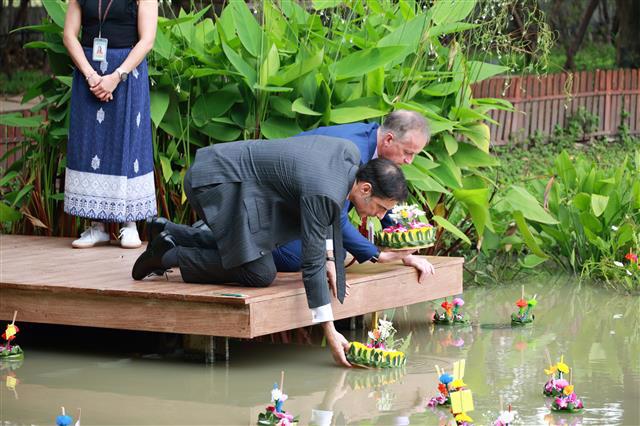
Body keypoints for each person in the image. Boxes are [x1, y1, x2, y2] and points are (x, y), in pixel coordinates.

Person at [132, 136, 409, 367]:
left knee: (253, 251)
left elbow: (328, 211)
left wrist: (329, 259)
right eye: (381, 208)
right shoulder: (325, 189)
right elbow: (310, 262)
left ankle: (170, 232)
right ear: (365, 188)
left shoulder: (348, 156)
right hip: (215, 181)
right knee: (259, 273)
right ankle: (169, 256)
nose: (379, 216)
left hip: (241, 183)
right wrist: (330, 331)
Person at [273, 110, 435, 282]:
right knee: (299, 257)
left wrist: (404, 252)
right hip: (274, 211)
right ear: (388, 139)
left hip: (302, 211)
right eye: (407, 152)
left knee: (338, 251)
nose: (410, 161)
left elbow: (384, 197)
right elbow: (336, 216)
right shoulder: (351, 153)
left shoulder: (373, 142)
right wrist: (377, 255)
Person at [62, 0, 158, 248]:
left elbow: (147, 40)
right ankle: (96, 226)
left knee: (126, 142)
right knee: (90, 143)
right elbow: (69, 35)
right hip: (89, 73)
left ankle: (130, 224)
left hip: (127, 74)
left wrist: (116, 76)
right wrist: (90, 75)